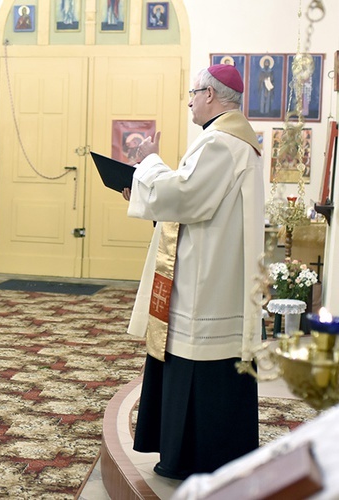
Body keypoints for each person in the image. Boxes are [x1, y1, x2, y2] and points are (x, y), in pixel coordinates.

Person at [125, 64, 264, 480]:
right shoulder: (228, 140)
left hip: (207, 285)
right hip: (210, 272)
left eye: (193, 92)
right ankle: (188, 456)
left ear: (211, 95)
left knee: (200, 369)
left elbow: (185, 197)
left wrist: (149, 163)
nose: (188, 100)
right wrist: (147, 190)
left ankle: (193, 459)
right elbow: (191, 200)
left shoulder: (222, 143)